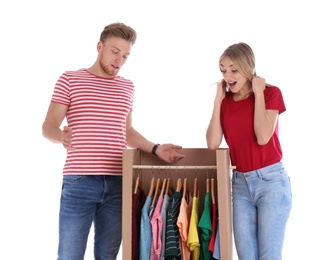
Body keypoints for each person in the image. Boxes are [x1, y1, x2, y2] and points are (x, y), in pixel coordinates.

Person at [42, 22, 185, 260]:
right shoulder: (70, 80)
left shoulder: (126, 87)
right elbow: (48, 126)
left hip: (118, 182)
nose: (119, 60)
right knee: (69, 254)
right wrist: (60, 136)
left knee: (108, 254)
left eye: (126, 55)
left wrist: (156, 148)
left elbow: (126, 131)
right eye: (114, 51)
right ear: (100, 46)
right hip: (79, 182)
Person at [206, 42, 292, 260]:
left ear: (248, 68)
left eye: (234, 70)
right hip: (240, 185)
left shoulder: (271, 93)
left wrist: (258, 93)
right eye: (223, 70)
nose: (228, 75)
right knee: (246, 257)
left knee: (268, 256)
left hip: (271, 182)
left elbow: (263, 137)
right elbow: (213, 144)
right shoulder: (225, 102)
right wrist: (218, 100)